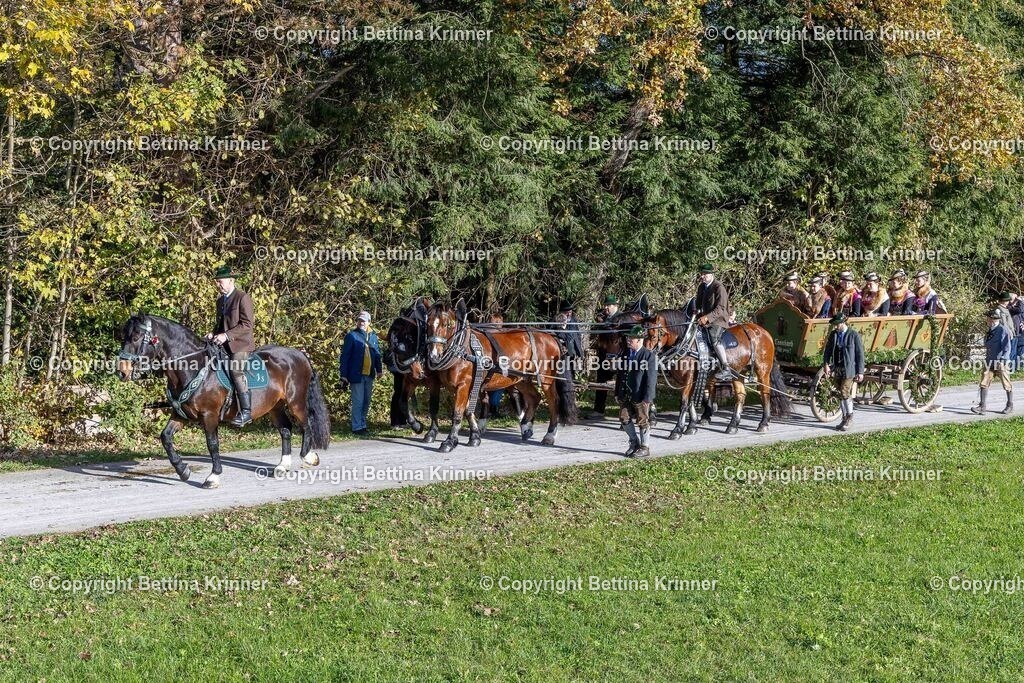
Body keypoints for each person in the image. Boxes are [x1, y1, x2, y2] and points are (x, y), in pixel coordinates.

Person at [206, 265, 256, 427]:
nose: (218, 285)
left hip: (241, 345)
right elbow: (221, 325)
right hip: (224, 345)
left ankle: (246, 412)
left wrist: (226, 336)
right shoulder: (220, 301)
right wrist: (213, 334)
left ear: (231, 281)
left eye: (220, 282)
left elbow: (247, 325)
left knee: (235, 369)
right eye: (217, 282)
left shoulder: (242, 297)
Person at [615, 325, 658, 457]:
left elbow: (651, 379)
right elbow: (620, 374)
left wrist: (648, 398)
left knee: (642, 420)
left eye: (631, 338)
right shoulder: (625, 354)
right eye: (628, 338)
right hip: (626, 393)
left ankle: (645, 447)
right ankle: (634, 443)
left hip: (641, 395)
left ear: (639, 340)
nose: (628, 340)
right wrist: (617, 392)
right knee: (624, 417)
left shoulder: (648, 356)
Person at [339, 311, 383, 436]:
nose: (361, 323)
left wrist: (379, 370)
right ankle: (356, 426)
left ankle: (363, 424)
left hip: (369, 374)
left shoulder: (373, 336)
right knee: (358, 401)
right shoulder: (352, 336)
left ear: (369, 322)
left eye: (363, 321)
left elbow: (377, 354)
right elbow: (345, 357)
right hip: (356, 374)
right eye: (359, 320)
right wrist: (343, 375)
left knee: (366, 401)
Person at [822, 312, 865, 431]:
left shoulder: (853, 335)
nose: (835, 327)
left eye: (837, 325)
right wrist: (826, 364)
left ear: (842, 323)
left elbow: (860, 354)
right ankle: (844, 418)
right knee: (839, 392)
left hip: (849, 369)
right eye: (834, 325)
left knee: (844, 391)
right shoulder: (834, 335)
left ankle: (850, 416)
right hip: (837, 367)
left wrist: (860, 372)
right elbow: (828, 351)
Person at [694, 263, 733, 381]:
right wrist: (696, 311)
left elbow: (721, 309)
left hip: (719, 320)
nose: (703, 276)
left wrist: (706, 318)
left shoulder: (718, 287)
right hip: (705, 320)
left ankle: (726, 368)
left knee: (713, 337)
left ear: (711, 275)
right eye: (702, 274)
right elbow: (699, 304)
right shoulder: (702, 287)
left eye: (705, 274)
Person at [972, 310, 1013, 415]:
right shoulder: (990, 330)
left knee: (1006, 383)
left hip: (1000, 361)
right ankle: (982, 406)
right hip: (989, 361)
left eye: (989, 319)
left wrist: (1003, 360)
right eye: (987, 318)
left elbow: (1007, 347)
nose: (987, 320)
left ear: (994, 320)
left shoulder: (1003, 330)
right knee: (984, 382)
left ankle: (1009, 405)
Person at [1009, 293, 1024, 372]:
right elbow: (1019, 310)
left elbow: (1022, 314)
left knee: (1020, 350)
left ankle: (1019, 366)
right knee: (1012, 351)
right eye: (1015, 299)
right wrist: (1019, 301)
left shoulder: (1017, 307)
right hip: (1014, 333)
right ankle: (1012, 368)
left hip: (1020, 332)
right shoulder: (1009, 307)